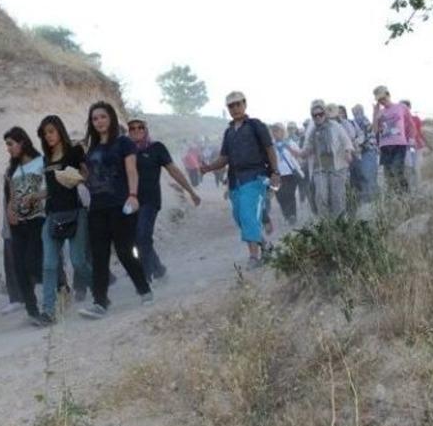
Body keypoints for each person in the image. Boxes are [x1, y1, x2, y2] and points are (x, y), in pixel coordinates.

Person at [78, 101, 153, 319]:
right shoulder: (91, 149)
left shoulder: (124, 143)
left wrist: (133, 195)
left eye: (102, 116)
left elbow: (132, 170)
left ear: (111, 118)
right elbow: (91, 176)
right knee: (99, 256)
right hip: (97, 208)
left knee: (124, 251)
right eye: (94, 118)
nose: (99, 121)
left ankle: (144, 289)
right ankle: (100, 302)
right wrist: (78, 178)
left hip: (121, 204)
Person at [199, 91, 281, 268]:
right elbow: (224, 158)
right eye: (231, 106)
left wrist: (275, 172)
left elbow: (269, 149)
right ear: (228, 109)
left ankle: (254, 257)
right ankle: (264, 245)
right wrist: (208, 168)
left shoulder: (256, 125)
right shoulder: (229, 132)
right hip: (235, 180)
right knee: (239, 218)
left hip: (256, 177)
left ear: (245, 104)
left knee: (247, 214)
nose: (235, 108)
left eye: (238, 104)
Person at [127, 117, 201, 282]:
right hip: (131, 202)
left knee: (142, 237)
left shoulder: (156, 148)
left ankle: (146, 279)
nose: (136, 130)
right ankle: (159, 269)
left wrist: (191, 191)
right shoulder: (125, 150)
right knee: (139, 239)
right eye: (132, 128)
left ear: (146, 130)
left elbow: (173, 171)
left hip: (150, 201)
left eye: (140, 127)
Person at [36, 115, 93, 323]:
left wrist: (77, 178)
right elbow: (50, 189)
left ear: (59, 130)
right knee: (49, 264)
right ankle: (48, 311)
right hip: (52, 215)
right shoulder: (45, 159)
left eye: (51, 131)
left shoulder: (75, 152)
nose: (48, 136)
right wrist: (35, 196)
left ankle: (100, 292)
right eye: (45, 133)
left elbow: (88, 176)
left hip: (76, 212)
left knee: (78, 262)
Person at [3, 126, 47, 326]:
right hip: (18, 223)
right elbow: (11, 195)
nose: (8, 149)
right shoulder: (12, 170)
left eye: (11, 144)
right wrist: (10, 211)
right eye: (7, 145)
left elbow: (51, 188)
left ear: (22, 142)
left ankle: (59, 287)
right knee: (19, 267)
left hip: (38, 218)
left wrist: (34, 196)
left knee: (32, 262)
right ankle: (32, 311)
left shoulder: (41, 162)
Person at [300, 101, 355, 217]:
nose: (318, 117)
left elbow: (346, 141)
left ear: (325, 113)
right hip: (319, 168)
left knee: (337, 196)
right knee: (321, 196)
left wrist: (348, 152)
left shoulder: (335, 126)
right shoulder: (311, 129)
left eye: (320, 114)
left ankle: (339, 223)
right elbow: (306, 147)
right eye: (315, 115)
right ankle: (325, 224)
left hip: (337, 166)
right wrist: (302, 152)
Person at [372, 85, 416, 194]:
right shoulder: (380, 112)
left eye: (383, 98)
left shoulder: (401, 107)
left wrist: (411, 138)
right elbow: (375, 130)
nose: (382, 101)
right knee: (388, 175)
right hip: (385, 145)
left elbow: (411, 124)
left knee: (397, 170)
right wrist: (375, 114)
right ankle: (393, 199)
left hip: (399, 144)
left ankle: (406, 196)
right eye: (379, 100)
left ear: (388, 95)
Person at [270, 123, 303, 225]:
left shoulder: (290, 143)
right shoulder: (270, 145)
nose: (276, 133)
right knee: (280, 196)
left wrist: (288, 148)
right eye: (274, 131)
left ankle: (292, 215)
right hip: (277, 176)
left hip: (290, 173)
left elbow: (299, 154)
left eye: (278, 131)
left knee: (290, 195)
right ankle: (286, 214)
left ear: (283, 132)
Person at [400, 100, 432, 192]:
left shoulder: (416, 119)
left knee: (416, 167)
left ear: (409, 107)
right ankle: (410, 190)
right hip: (405, 148)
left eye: (405, 107)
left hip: (416, 147)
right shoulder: (399, 120)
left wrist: (428, 144)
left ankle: (418, 189)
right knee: (408, 168)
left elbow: (420, 132)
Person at [351, 104, 379, 202]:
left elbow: (362, 138)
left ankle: (369, 203)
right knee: (369, 178)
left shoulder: (360, 120)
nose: (354, 113)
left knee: (367, 177)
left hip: (367, 151)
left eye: (355, 111)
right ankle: (374, 202)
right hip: (369, 151)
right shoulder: (364, 120)